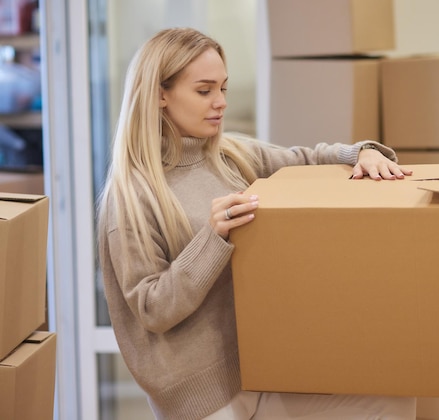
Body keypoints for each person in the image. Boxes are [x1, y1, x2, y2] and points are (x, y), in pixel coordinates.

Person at [97, 27, 417, 420]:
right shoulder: (131, 196)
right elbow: (152, 309)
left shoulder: (231, 155)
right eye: (204, 91)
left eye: (224, 89)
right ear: (160, 94)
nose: (220, 103)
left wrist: (361, 153)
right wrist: (211, 237)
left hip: (261, 367)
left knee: (392, 404)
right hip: (203, 398)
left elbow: (307, 158)